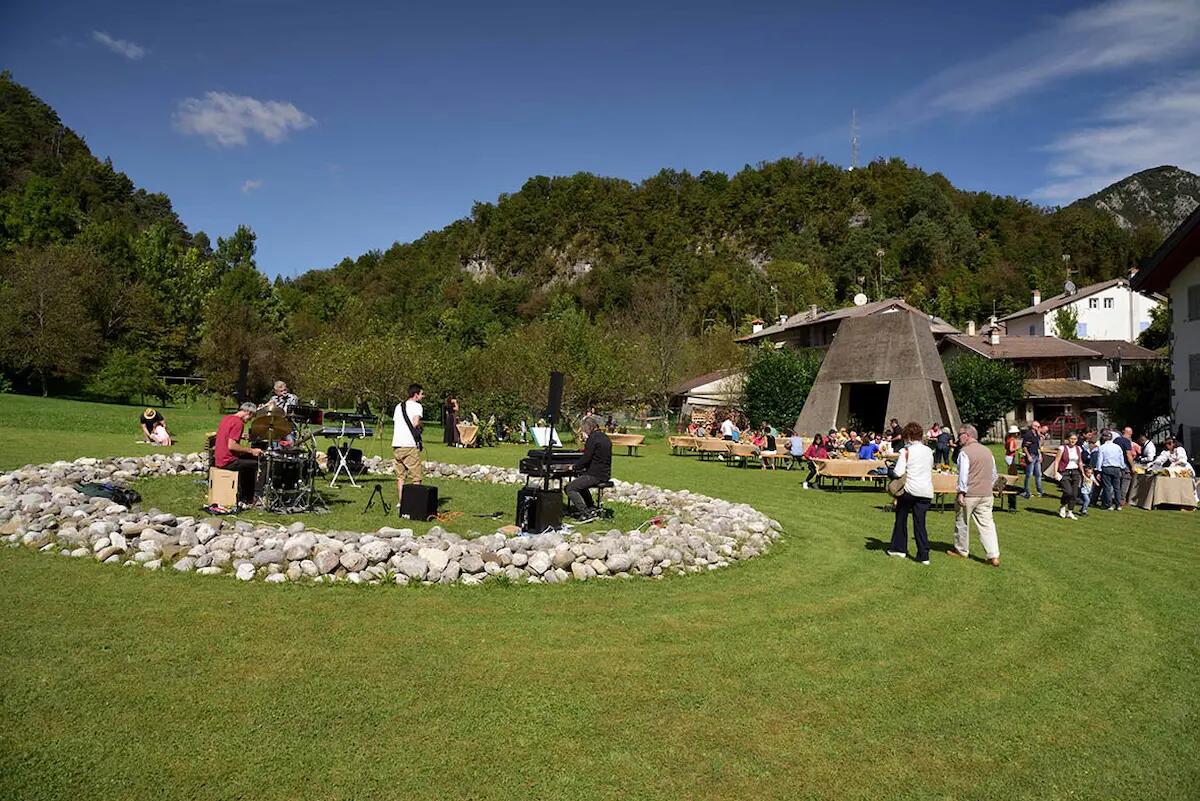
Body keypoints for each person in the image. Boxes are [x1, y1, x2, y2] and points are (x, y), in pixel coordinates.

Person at [947, 424, 1000, 567]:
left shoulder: (965, 452)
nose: (958, 439)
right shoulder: (988, 451)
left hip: (969, 494)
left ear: (968, 435)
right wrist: (989, 487)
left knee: (962, 522)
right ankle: (993, 555)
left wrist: (961, 492)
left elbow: (963, 474)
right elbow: (994, 474)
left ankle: (961, 550)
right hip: (986, 494)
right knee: (987, 525)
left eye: (960, 435)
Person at [887, 422, 934, 565]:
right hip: (925, 491)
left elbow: (899, 472)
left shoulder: (905, 451)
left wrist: (890, 471)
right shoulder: (928, 451)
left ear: (907, 436)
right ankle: (923, 555)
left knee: (901, 519)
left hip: (910, 489)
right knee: (920, 523)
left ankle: (899, 548)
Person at [213, 402, 264, 506]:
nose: (249, 420)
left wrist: (241, 436)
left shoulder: (227, 418)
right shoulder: (239, 423)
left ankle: (244, 493)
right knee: (256, 463)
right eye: (251, 417)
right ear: (248, 413)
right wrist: (252, 451)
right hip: (228, 461)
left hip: (218, 458)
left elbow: (226, 435)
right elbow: (231, 446)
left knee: (248, 459)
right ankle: (249, 497)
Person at [566, 418, 612, 521]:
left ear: (588, 428)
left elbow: (586, 458)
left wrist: (573, 467)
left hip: (595, 475)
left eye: (584, 429)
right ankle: (591, 507)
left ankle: (585, 512)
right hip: (604, 473)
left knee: (570, 488)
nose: (584, 432)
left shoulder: (593, 439)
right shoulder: (605, 437)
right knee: (581, 483)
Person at [392, 384, 425, 506]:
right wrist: (421, 427)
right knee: (416, 477)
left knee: (400, 476)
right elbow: (415, 423)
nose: (422, 396)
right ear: (416, 395)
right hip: (409, 445)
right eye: (422, 394)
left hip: (397, 444)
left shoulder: (398, 406)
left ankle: (401, 502)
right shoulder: (417, 406)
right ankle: (414, 504)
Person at [1055, 431, 1083, 520]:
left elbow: (1080, 462)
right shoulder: (1062, 448)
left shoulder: (1079, 449)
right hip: (1064, 472)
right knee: (1068, 491)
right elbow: (1057, 461)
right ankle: (1062, 506)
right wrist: (1055, 472)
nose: (1073, 441)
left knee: (1074, 494)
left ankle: (1070, 511)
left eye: (1075, 439)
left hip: (1075, 472)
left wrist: (1083, 473)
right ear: (1068, 439)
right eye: (1071, 439)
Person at [1096, 431, 1125, 510]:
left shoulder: (1102, 447)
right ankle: (1118, 505)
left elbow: (1100, 460)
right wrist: (1122, 467)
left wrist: (1098, 470)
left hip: (1107, 468)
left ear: (1104, 438)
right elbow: (1121, 458)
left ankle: (1109, 504)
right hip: (1117, 468)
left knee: (1107, 487)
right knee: (1117, 488)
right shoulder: (1117, 447)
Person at [1113, 426, 1135, 508]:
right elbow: (1128, 454)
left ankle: (1115, 498)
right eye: (1131, 434)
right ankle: (1122, 500)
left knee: (1117, 483)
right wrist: (1132, 466)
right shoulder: (1126, 441)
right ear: (1129, 434)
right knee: (1125, 482)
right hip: (1124, 464)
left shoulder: (1116, 440)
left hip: (1115, 464)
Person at [1021, 420, 1043, 499]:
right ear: (1033, 426)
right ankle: (1026, 491)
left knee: (1039, 474)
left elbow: (1038, 446)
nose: (1039, 428)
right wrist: (1028, 456)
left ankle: (1040, 491)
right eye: (1038, 426)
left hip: (1036, 456)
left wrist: (1040, 455)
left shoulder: (1037, 435)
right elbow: (1024, 446)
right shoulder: (1028, 435)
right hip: (1031, 456)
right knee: (1029, 474)